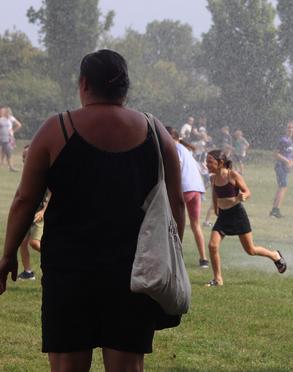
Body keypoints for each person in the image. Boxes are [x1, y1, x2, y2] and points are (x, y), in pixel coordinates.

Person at [0, 49, 185, 371]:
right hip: (135, 272)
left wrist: (6, 256)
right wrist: (172, 255)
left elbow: (24, 201)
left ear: (83, 83)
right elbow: (177, 201)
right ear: (125, 87)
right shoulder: (157, 133)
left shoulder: (56, 129)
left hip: (69, 272)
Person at [205, 150, 286, 286]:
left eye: (210, 162)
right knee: (212, 245)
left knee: (250, 250)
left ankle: (274, 255)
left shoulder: (233, 175)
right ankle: (218, 279)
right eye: (206, 161)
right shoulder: (212, 178)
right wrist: (215, 207)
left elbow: (248, 192)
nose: (207, 164)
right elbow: (215, 193)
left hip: (237, 215)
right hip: (223, 216)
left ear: (220, 163)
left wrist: (243, 196)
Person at [166, 126, 210, 269]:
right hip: (197, 189)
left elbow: (176, 167)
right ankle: (204, 259)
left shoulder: (174, 149)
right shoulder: (187, 150)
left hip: (184, 188)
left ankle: (174, 258)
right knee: (195, 224)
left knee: (171, 222)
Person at [17, 145, 49, 281]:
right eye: (23, 157)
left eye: (27, 156)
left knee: (34, 243)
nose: (25, 159)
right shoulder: (26, 173)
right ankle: (28, 272)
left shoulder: (43, 172)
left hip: (39, 213)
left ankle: (57, 257)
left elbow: (52, 193)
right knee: (22, 242)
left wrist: (43, 211)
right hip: (28, 212)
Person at [269, 120, 293, 218]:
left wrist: (291, 162)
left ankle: (275, 209)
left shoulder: (290, 141)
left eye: (292, 128)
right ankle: (275, 210)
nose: (290, 129)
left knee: (282, 188)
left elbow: (289, 154)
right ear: (286, 129)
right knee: (282, 187)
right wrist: (286, 161)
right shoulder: (283, 140)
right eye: (289, 127)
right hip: (280, 166)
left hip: (285, 167)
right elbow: (276, 154)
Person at [0, 106, 22, 172]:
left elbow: (19, 124)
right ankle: (5, 165)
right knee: (4, 151)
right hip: (2, 138)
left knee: (8, 151)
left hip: (9, 138)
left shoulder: (11, 118)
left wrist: (12, 130)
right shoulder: (1, 119)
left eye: (4, 111)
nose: (3, 112)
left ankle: (10, 167)